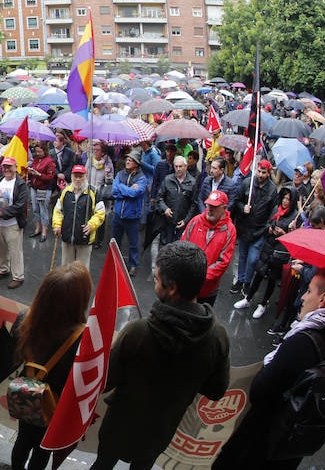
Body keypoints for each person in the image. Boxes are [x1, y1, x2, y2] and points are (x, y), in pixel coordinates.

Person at [91, 241, 230, 470]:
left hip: (119, 427)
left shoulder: (138, 332)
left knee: (102, 465)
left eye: (156, 278)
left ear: (172, 287)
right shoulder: (218, 337)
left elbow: (105, 382)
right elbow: (216, 390)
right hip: (161, 431)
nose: (154, 281)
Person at [213, 268, 325, 470]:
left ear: (323, 298)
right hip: (292, 444)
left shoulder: (302, 341)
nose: (302, 297)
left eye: (309, 291)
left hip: (261, 441)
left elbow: (260, 389)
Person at [11, 262, 92, 470]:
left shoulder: (25, 318)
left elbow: (13, 354)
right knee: (42, 448)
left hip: (26, 395)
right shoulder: (82, 337)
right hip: (54, 404)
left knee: (22, 440)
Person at [234, 186, 299, 318]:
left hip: (280, 252)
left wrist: (286, 233)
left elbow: (295, 239)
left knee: (271, 279)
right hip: (268, 247)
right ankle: (248, 298)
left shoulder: (295, 217)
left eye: (288, 199)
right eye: (284, 198)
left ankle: (263, 304)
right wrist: (269, 229)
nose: (285, 201)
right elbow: (267, 224)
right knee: (259, 273)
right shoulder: (276, 209)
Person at [180, 190, 237, 306]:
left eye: (214, 207)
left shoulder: (230, 231)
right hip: (186, 284)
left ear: (224, 208)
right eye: (208, 205)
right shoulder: (195, 221)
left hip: (207, 290)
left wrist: (199, 276)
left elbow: (223, 262)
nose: (210, 209)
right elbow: (182, 247)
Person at [231, 159, 278, 294]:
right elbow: (237, 201)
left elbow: (273, 210)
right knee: (242, 256)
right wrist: (242, 207)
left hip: (259, 230)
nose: (260, 175)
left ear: (268, 173)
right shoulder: (247, 183)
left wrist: (269, 225)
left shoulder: (272, 190)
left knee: (252, 259)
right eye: (259, 171)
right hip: (244, 227)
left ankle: (247, 282)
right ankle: (240, 280)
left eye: (264, 172)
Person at [0, 156, 30, 289]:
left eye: (9, 167)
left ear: (15, 168)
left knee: (15, 251)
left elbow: (20, 205)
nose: (7, 169)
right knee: (1, 249)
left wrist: (1, 213)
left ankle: (18, 276)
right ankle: (2, 269)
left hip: (13, 224)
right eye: (4, 167)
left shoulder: (21, 184)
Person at [53, 165, 106, 271]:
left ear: (86, 176)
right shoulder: (65, 191)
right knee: (66, 269)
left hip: (84, 239)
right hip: (67, 237)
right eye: (75, 176)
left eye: (80, 176)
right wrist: (57, 225)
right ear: (72, 176)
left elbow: (100, 213)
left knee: (82, 270)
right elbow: (58, 211)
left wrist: (92, 224)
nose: (78, 179)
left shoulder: (94, 192)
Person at [110, 148, 148, 276]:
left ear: (137, 163)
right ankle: (115, 262)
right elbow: (114, 191)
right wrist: (126, 189)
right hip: (117, 215)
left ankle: (133, 265)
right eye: (127, 159)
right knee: (115, 241)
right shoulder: (120, 174)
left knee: (133, 243)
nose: (127, 161)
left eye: (131, 160)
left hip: (132, 217)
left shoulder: (142, 178)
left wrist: (122, 189)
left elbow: (135, 193)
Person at [27, 143, 56, 242]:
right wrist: (30, 173)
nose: (38, 153)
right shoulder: (36, 160)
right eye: (37, 151)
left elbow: (50, 177)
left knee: (43, 209)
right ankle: (38, 228)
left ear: (45, 151)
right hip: (34, 187)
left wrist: (38, 174)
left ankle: (44, 231)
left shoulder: (50, 162)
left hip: (43, 188)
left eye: (40, 151)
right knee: (35, 209)